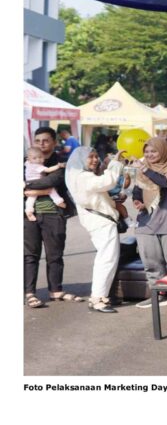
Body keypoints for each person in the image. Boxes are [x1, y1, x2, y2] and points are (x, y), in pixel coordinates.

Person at [23, 127, 80, 309]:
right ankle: (30, 292)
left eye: (46, 140)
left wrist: (30, 187)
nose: (41, 144)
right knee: (30, 255)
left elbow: (54, 181)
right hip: (29, 216)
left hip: (54, 214)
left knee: (55, 255)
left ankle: (56, 290)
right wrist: (41, 189)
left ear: (54, 143)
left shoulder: (61, 161)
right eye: (38, 141)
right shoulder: (24, 162)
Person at [65, 147, 127, 313]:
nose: (94, 160)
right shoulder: (83, 177)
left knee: (107, 259)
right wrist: (115, 163)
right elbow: (108, 182)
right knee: (106, 260)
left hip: (99, 221)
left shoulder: (77, 176)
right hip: (101, 223)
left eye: (95, 156)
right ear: (80, 160)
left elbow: (99, 194)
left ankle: (101, 296)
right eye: (90, 157)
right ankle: (98, 298)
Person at [130, 137, 167, 308]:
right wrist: (137, 200)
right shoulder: (144, 172)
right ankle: (159, 296)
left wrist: (144, 168)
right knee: (151, 264)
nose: (149, 155)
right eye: (146, 152)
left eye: (153, 151)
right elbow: (137, 190)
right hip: (147, 222)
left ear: (163, 150)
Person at [24, 147, 67, 221]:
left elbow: (28, 160)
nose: (38, 160)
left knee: (31, 198)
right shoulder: (38, 166)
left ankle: (28, 211)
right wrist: (58, 166)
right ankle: (58, 201)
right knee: (51, 189)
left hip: (29, 183)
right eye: (35, 158)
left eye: (40, 157)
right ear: (30, 159)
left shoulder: (27, 163)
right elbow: (48, 170)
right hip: (38, 182)